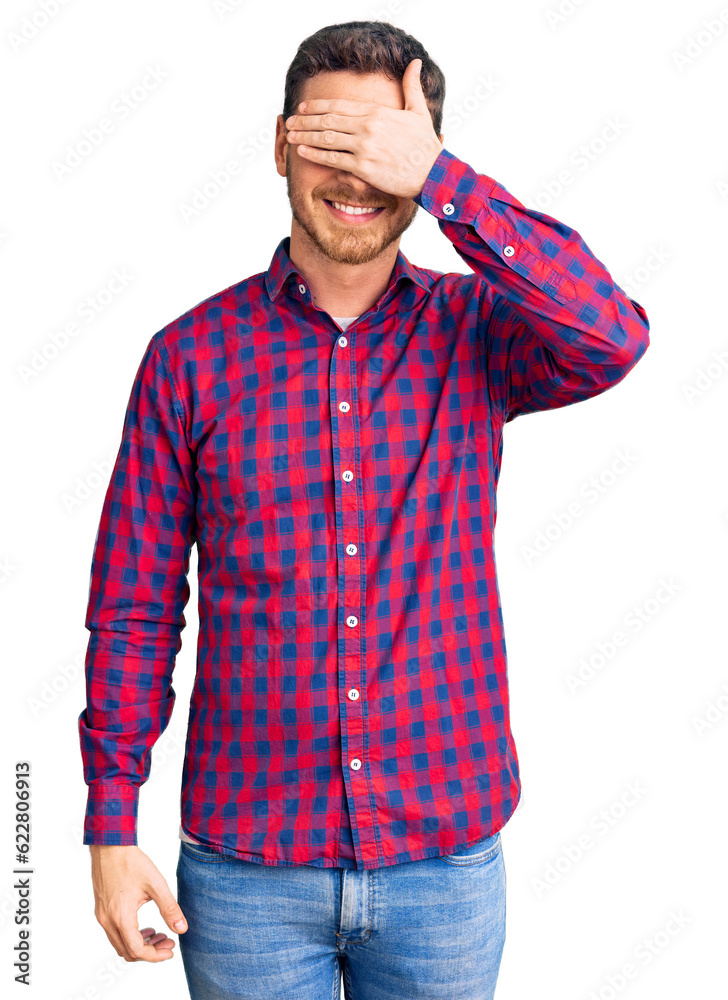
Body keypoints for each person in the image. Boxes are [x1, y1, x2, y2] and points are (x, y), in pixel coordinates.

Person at [78, 19, 650, 1000]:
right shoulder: (188, 358)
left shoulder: (479, 331)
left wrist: (446, 179)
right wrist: (110, 823)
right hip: (246, 871)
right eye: (329, 139)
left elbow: (613, 336)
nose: (355, 174)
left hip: (443, 864)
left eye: (383, 146)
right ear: (279, 146)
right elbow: (134, 605)